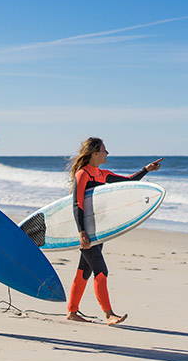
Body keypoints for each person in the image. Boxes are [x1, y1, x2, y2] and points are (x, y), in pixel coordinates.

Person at [66, 137, 162, 326]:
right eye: (104, 150)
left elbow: (128, 182)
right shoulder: (83, 174)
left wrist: (146, 170)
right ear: (94, 154)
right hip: (87, 230)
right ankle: (109, 314)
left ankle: (72, 311)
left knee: (83, 270)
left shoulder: (102, 174)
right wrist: (81, 232)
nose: (107, 153)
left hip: (99, 230)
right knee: (101, 271)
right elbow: (77, 204)